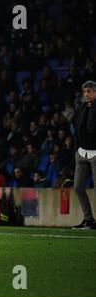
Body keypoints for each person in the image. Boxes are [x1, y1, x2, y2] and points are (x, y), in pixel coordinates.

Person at [73, 80, 96, 229]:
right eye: (84, 92)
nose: (86, 94)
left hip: (95, 152)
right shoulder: (82, 107)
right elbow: (78, 128)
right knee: (77, 187)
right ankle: (89, 219)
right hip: (81, 152)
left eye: (89, 91)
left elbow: (91, 127)